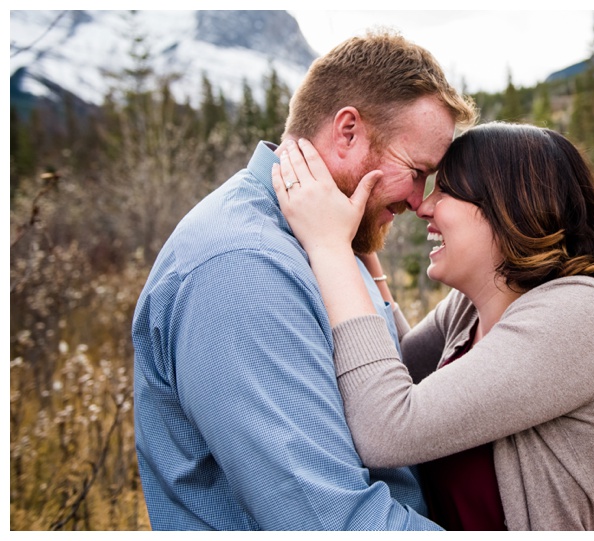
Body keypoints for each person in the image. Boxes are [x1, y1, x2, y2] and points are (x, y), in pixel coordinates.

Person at [131, 30, 476, 530]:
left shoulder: (326, 235)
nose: (419, 200)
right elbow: (327, 521)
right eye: (416, 169)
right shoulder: (244, 269)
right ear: (348, 131)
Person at [273, 122, 594, 530]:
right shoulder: (470, 308)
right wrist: (362, 243)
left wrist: (330, 247)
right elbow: (386, 371)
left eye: (445, 190)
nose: (423, 206)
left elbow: (385, 426)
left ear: (507, 205)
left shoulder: (582, 314)